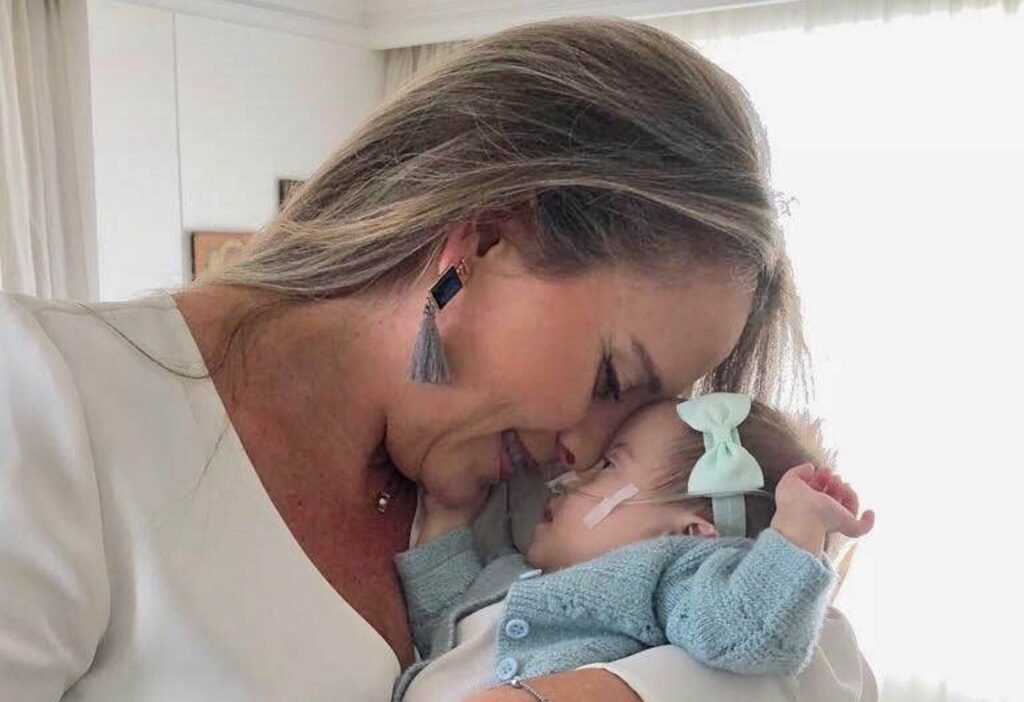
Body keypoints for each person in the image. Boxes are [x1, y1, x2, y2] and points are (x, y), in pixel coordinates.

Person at [0, 17, 875, 702]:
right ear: (485, 239)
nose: (588, 448)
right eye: (611, 378)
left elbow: (827, 665)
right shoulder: (47, 399)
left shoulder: (526, 498)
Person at [393, 394, 875, 702]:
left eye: (608, 466)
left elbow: (750, 632)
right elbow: (444, 620)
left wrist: (798, 527)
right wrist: (445, 511)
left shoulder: (663, 576)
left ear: (687, 536)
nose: (570, 478)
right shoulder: (511, 576)